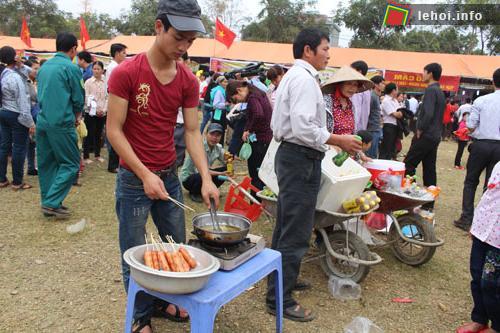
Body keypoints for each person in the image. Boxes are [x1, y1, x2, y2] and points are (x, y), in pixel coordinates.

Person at [106, 1, 219, 331]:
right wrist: (144, 174)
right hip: (133, 178)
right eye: (179, 37)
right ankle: (140, 318)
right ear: (159, 27)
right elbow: (113, 130)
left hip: (168, 176)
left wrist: (207, 178)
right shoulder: (128, 72)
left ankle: (167, 300)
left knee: (176, 247)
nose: (184, 48)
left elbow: (194, 131)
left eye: (191, 42)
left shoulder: (186, 79)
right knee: (135, 251)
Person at [266, 28, 362, 322]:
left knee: (287, 223)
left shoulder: (296, 77)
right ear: (308, 50)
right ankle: (279, 299)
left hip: (296, 156)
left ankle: (283, 280)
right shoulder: (304, 80)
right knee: (295, 230)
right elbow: (305, 127)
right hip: (299, 158)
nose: (328, 55)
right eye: (324, 49)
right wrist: (338, 139)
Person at [36, 33, 84, 217]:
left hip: (43, 121)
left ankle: (50, 201)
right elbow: (78, 97)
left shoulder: (44, 66)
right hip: (61, 122)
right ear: (73, 49)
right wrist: (77, 115)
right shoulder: (70, 68)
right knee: (71, 163)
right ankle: (51, 202)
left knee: (47, 163)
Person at [453, 68, 500, 231]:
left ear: (493, 82)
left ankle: (466, 218)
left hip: (480, 145)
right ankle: (486, 221)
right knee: (491, 185)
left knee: (471, 181)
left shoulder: (481, 101)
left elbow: (471, 126)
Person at [455, 161, 500, 333]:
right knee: (476, 275)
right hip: (483, 230)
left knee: (491, 284)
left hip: (498, 241)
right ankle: (479, 318)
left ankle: (497, 326)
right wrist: (475, 226)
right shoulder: (498, 166)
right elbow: (489, 195)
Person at [404, 63, 446, 212]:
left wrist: (420, 129)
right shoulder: (440, 92)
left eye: (423, 71)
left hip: (426, 134)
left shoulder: (430, 90)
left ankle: (408, 197)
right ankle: (429, 204)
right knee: (429, 169)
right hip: (435, 135)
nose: (422, 75)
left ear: (430, 74)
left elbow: (427, 113)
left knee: (408, 164)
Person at [226, 79, 274, 192]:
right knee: (260, 174)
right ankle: (258, 201)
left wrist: (248, 130)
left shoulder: (253, 97)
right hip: (266, 139)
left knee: (256, 174)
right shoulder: (258, 93)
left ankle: (254, 203)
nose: (238, 102)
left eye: (235, 99)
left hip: (260, 141)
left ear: (239, 90)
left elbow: (258, 114)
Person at [0, 46, 35, 190]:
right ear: (14, 58)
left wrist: (20, 65)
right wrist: (30, 123)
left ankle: (2, 179)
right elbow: (23, 101)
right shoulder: (14, 77)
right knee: (19, 148)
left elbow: (29, 73)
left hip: (3, 112)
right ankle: (17, 181)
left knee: (4, 146)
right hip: (16, 114)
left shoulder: (3, 74)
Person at [180, 123, 227, 202]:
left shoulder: (218, 148)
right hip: (189, 179)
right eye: (212, 134)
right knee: (202, 175)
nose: (214, 138)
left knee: (225, 170)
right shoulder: (199, 147)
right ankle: (194, 193)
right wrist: (221, 174)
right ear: (206, 134)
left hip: (204, 174)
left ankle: (211, 190)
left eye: (218, 135)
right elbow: (203, 171)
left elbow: (226, 160)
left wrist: (229, 162)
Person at [322, 65, 374, 137]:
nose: (352, 88)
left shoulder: (350, 105)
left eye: (355, 85)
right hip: (330, 147)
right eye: (348, 83)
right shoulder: (326, 102)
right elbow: (320, 132)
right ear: (339, 85)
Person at [105, 43, 127, 174]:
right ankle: (113, 165)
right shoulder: (114, 68)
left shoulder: (117, 67)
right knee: (116, 132)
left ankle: (116, 162)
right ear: (117, 53)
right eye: (124, 53)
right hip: (115, 104)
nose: (125, 56)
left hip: (116, 103)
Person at [83, 61, 108, 164]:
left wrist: (104, 110)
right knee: (89, 133)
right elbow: (87, 97)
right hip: (91, 112)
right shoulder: (88, 82)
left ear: (102, 70)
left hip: (102, 112)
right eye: (94, 69)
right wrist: (95, 109)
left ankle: (97, 155)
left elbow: (108, 97)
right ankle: (86, 156)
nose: (96, 71)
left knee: (99, 133)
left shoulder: (106, 82)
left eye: (98, 69)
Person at [23, 59, 40, 176]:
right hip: (29, 116)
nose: (37, 71)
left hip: (36, 115)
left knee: (33, 142)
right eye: (35, 68)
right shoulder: (25, 83)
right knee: (31, 142)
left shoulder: (36, 82)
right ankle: (31, 166)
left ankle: (33, 166)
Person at [379, 82, 403, 160]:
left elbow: (401, 112)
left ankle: (388, 163)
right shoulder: (386, 100)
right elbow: (395, 114)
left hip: (395, 126)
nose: (397, 91)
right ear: (393, 90)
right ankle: (382, 164)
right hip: (389, 126)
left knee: (392, 148)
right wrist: (400, 113)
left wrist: (400, 113)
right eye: (397, 89)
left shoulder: (395, 101)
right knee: (386, 148)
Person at [366, 75, 385, 158]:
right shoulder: (372, 96)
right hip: (372, 129)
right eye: (382, 83)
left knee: (373, 153)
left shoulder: (376, 96)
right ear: (376, 84)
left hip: (376, 128)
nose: (384, 85)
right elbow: (367, 112)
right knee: (371, 155)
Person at [350, 60, 371, 132]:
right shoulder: (366, 89)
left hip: (354, 128)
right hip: (359, 127)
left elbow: (356, 110)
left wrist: (355, 129)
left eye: (352, 70)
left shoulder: (358, 89)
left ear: (359, 72)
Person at [210, 75, 228, 145]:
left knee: (220, 130)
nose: (226, 83)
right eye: (224, 82)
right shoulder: (219, 91)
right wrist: (225, 104)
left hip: (220, 113)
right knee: (218, 130)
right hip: (218, 113)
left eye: (226, 82)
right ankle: (217, 145)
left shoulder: (222, 90)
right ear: (220, 83)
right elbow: (215, 104)